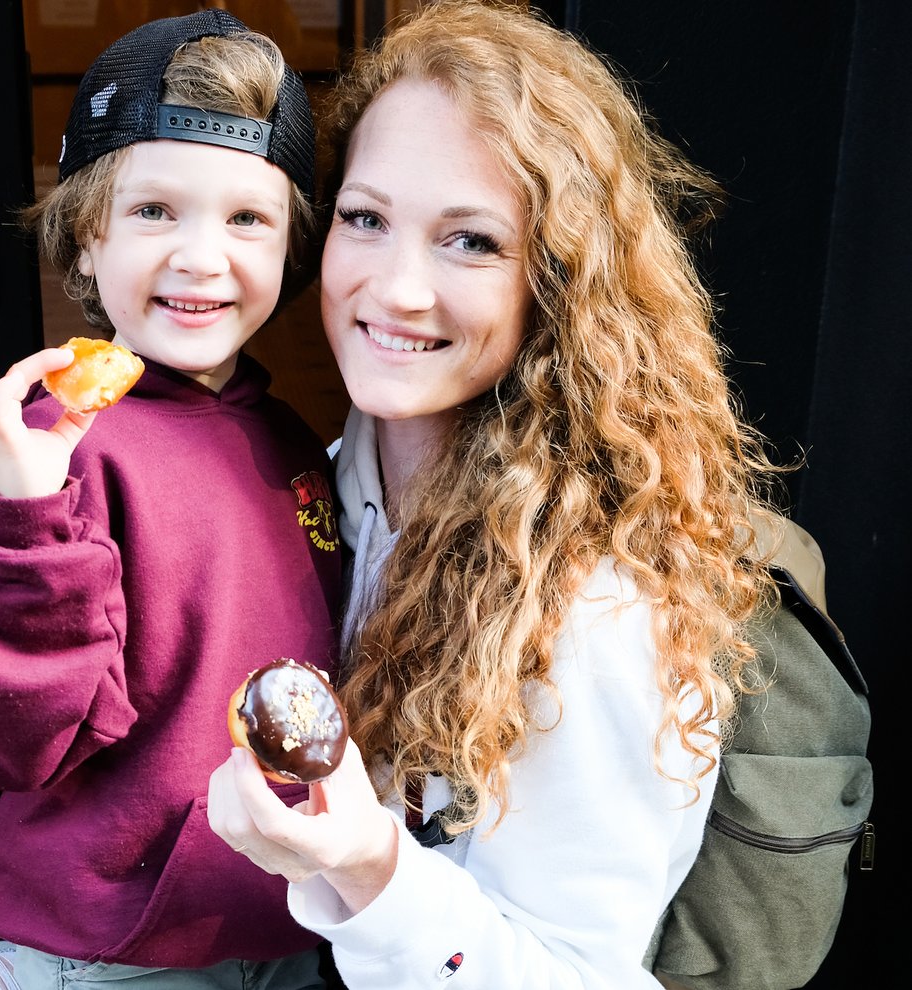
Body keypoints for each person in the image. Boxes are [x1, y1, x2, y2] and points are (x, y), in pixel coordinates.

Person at [207, 2, 784, 988]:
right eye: (366, 218)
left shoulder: (597, 604)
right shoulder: (339, 478)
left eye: (469, 241)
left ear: (555, 282)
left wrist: (366, 863)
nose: (395, 288)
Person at [0, 10, 341, 990]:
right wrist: (24, 520)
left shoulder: (281, 438)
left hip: (288, 917)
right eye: (155, 211)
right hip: (133, 942)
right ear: (84, 237)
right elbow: (17, 744)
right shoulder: (56, 447)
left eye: (248, 219)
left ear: (291, 251)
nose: (201, 255)